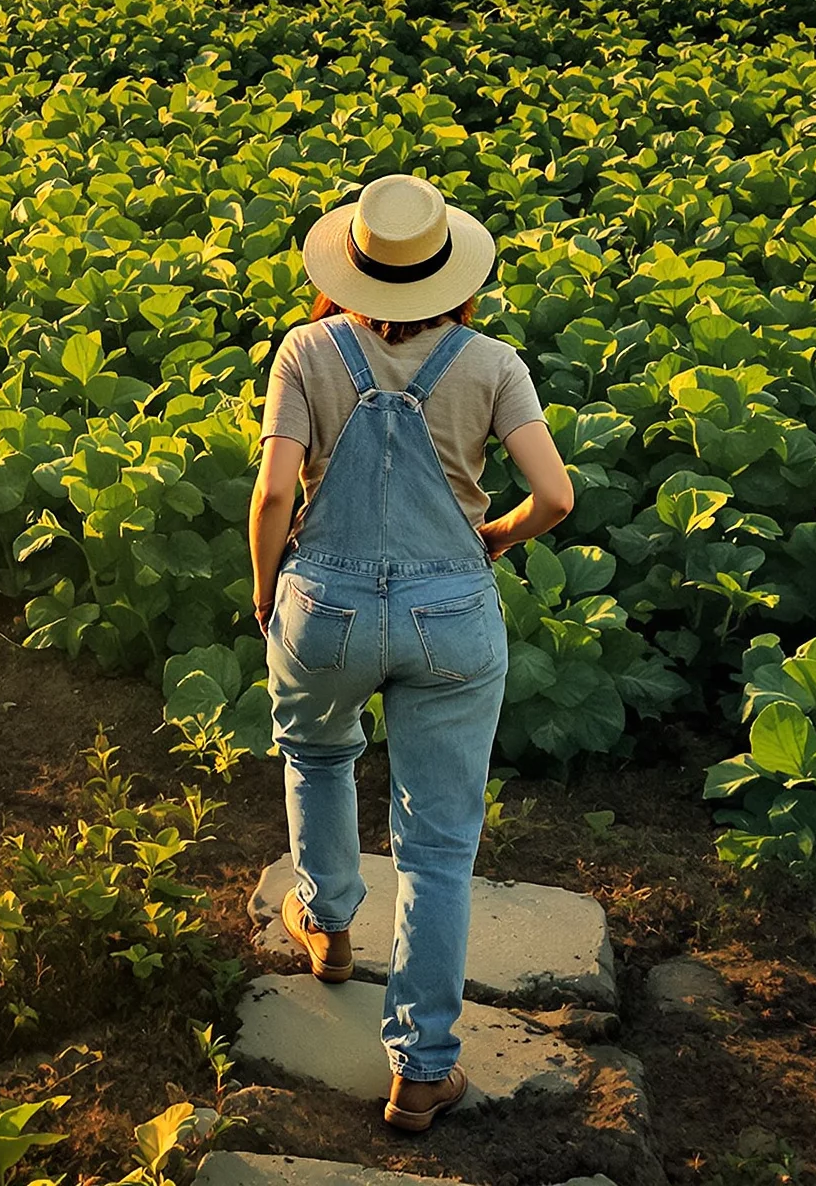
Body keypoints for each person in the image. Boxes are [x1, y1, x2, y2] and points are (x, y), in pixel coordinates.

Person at [247, 172, 573, 1135]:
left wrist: (266, 587)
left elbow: (272, 497)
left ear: (353, 266)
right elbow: (554, 498)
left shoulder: (306, 350)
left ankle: (331, 928)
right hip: (452, 619)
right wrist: (498, 538)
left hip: (327, 608)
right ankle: (423, 1069)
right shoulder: (492, 363)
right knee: (436, 849)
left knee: (318, 755)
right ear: (452, 273)